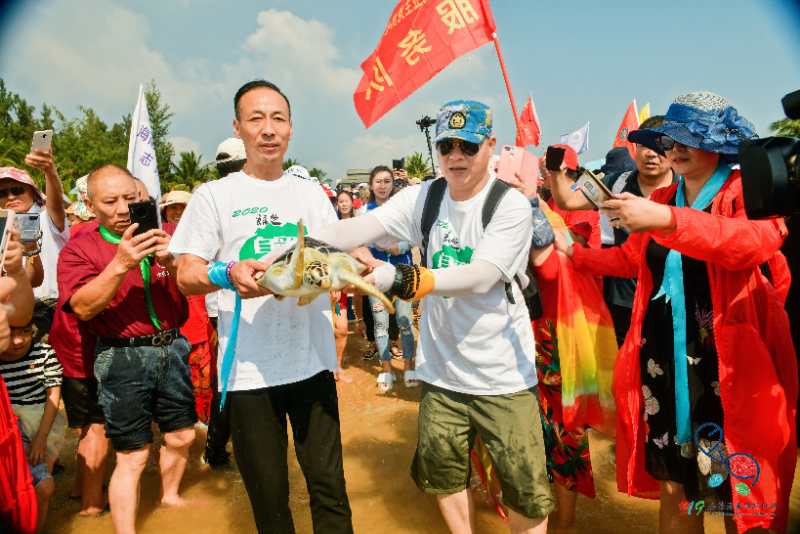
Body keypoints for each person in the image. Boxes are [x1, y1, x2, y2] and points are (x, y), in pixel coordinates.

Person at [556, 92, 796, 534]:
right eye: (671, 140)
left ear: (718, 144)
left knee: (736, 487)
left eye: (690, 140)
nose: (675, 149)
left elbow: (753, 243)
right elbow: (632, 260)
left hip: (724, 368)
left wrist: (667, 220)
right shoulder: (668, 195)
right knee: (678, 485)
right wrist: (576, 255)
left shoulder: (741, 190)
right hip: (664, 364)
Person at [313, 100, 555, 533]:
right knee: (443, 476)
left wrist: (401, 278)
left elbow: (481, 276)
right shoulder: (425, 197)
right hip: (441, 373)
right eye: (446, 146)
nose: (456, 156)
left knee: (526, 490)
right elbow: (357, 229)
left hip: (503, 376)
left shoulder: (510, 205)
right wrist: (293, 245)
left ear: (490, 146)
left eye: (468, 146)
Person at [169, 79, 353, 533]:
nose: (268, 129)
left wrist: (358, 267)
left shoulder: (310, 193)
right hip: (248, 374)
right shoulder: (215, 196)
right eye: (256, 119)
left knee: (330, 491)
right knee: (269, 502)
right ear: (238, 128)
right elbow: (185, 274)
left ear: (290, 128)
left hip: (312, 363)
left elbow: (338, 255)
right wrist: (226, 273)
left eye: (278, 119)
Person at [58, 164, 195, 534]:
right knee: (133, 454)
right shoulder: (79, 248)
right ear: (89, 205)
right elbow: (82, 307)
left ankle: (170, 498)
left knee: (182, 435)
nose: (122, 209)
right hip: (121, 356)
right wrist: (120, 264)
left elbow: (196, 284)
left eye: (130, 198)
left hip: (173, 347)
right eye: (110, 201)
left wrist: (172, 261)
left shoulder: (168, 235)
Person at [544, 117, 674, 345]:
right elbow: (568, 201)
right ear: (635, 148)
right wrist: (556, 172)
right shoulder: (615, 184)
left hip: (673, 298)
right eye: (644, 145)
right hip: (621, 299)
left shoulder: (686, 188)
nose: (650, 154)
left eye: (659, 146)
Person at [49, 213, 108, 516]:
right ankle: (92, 504)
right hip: (83, 347)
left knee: (87, 426)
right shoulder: (90, 237)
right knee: (97, 426)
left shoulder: (80, 234)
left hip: (70, 345)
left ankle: (78, 488)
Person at [201, 137, 247, 469]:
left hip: (225, 305)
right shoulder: (213, 201)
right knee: (232, 379)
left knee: (231, 378)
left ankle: (218, 448)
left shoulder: (212, 199)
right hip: (225, 305)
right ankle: (217, 448)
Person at [0, 319, 66, 533]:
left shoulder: (44, 353)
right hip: (9, 428)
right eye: (11, 334)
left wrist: (41, 438)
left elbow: (53, 395)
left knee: (44, 487)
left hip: (42, 424)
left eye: (25, 332)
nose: (18, 341)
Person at [1, 147, 69, 336]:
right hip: (13, 318)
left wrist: (49, 170)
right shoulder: (2, 230)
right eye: (2, 193)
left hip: (54, 311)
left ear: (32, 193)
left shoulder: (47, 219)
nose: (10, 197)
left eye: (17, 190)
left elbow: (56, 204)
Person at [364, 165, 417, 392]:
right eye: (378, 181)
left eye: (387, 181)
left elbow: (415, 236)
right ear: (371, 185)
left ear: (393, 184)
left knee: (405, 322)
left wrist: (400, 247)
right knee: (380, 325)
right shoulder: (364, 213)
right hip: (376, 276)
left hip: (402, 274)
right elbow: (359, 244)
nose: (382, 186)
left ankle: (409, 366)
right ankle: (386, 369)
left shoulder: (402, 209)